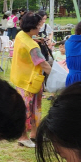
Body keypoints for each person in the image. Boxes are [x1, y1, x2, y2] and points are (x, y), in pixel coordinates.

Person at [11, 12, 52, 148]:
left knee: (33, 109)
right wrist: (60, 76)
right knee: (27, 110)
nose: (40, 29)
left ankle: (35, 134)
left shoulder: (20, 35)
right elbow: (44, 64)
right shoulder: (32, 46)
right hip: (29, 81)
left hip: (22, 78)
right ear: (32, 27)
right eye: (38, 26)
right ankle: (23, 137)